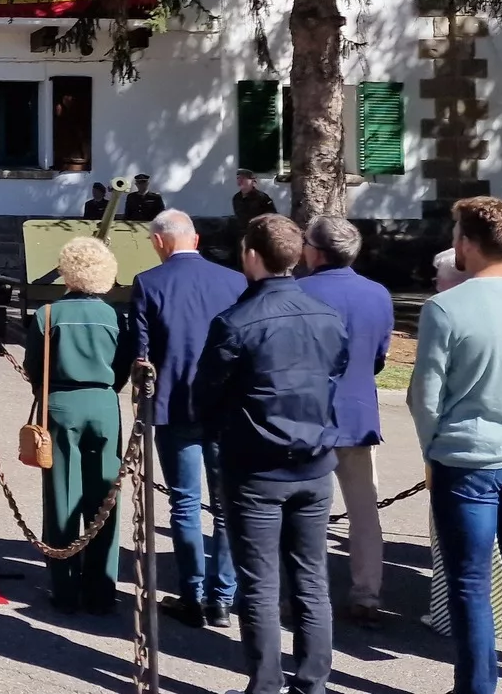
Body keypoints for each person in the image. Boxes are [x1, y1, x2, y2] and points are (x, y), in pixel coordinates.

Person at [407, 196, 502, 694]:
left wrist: (432, 451)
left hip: (467, 457)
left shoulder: (445, 308)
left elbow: (426, 398)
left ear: (468, 244)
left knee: (471, 584)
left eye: (457, 233)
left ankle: (476, 687)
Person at [197, 214, 347, 694]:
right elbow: (336, 371)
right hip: (313, 460)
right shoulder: (326, 315)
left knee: (261, 584)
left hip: (257, 467)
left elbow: (206, 395)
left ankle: (266, 685)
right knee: (310, 579)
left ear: (252, 256)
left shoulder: (236, 322)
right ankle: (312, 683)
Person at [121, 208, 245, 627]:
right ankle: (223, 598)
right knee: (226, 506)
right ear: (195, 239)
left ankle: (191, 594)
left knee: (185, 503)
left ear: (158, 242)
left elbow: (142, 355)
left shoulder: (149, 282)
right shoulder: (234, 281)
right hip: (226, 407)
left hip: (174, 405)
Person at [295, 215, 392, 624]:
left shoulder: (296, 292)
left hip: (306, 416)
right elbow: (378, 359)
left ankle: (304, 592)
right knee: (364, 510)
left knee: (301, 510)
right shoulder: (377, 293)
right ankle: (366, 593)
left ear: (315, 251)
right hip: (357, 412)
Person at [30, 237, 124, 614]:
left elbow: (34, 369)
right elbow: (123, 367)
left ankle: (64, 589)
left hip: (61, 405)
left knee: (62, 496)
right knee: (105, 496)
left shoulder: (47, 314)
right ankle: (102, 591)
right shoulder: (117, 317)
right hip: (104, 404)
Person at [231, 169, 276, 233]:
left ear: (252, 181)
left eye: (244, 178)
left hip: (258, 233)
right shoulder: (236, 198)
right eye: (238, 178)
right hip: (242, 233)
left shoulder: (262, 197)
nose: (240, 180)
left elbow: (272, 215)